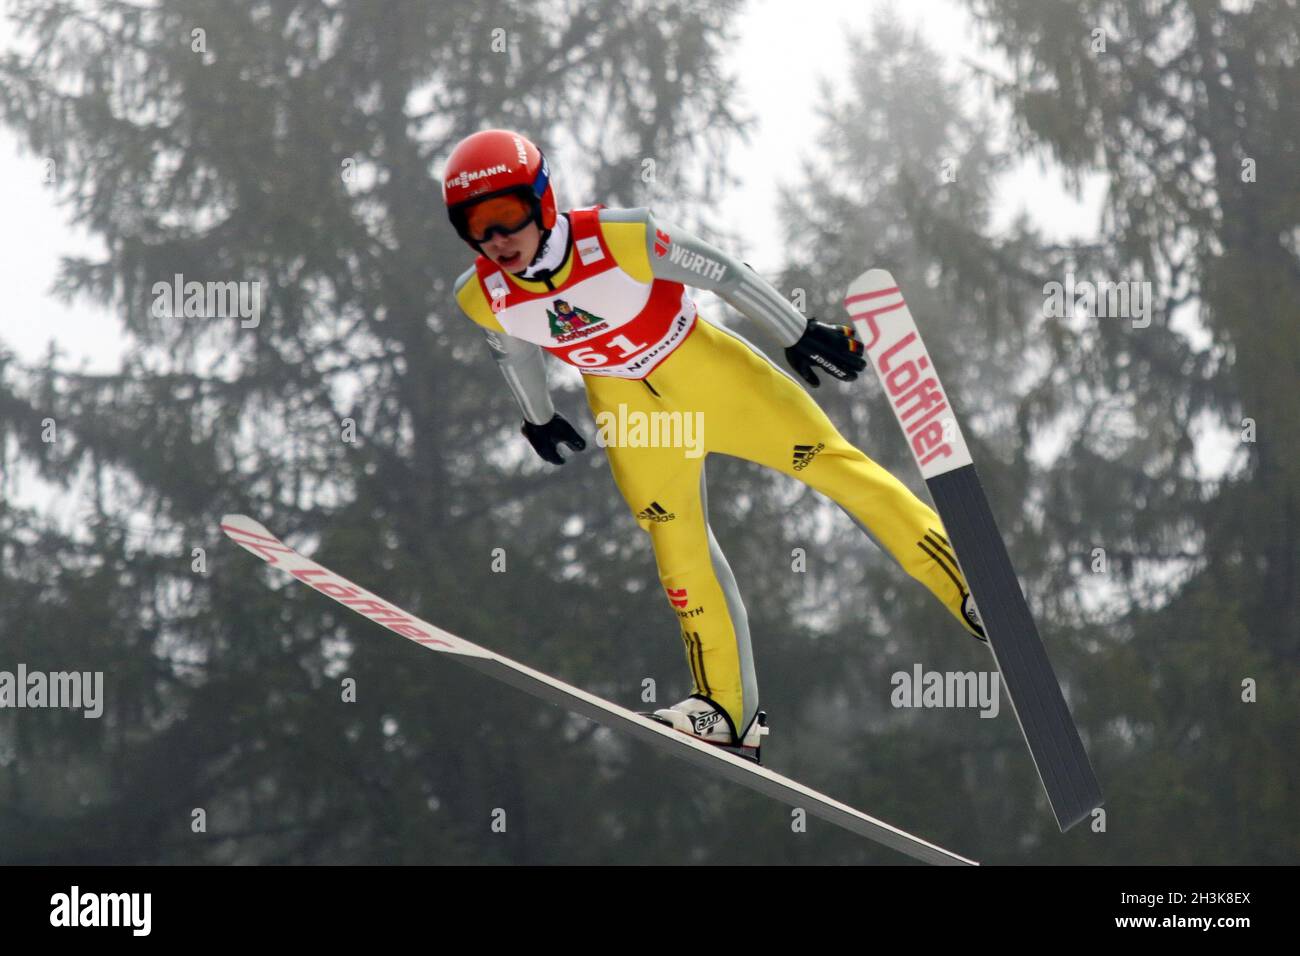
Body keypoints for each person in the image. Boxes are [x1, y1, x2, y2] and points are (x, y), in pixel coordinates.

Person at [443, 128, 985, 763]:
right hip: (629, 414)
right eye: (477, 226)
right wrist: (538, 418)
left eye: (506, 216)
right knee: (680, 551)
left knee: (837, 469)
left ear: (541, 200)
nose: (497, 239)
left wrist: (798, 330)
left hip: (708, 373)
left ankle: (968, 586)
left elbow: (723, 273)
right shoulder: (481, 294)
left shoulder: (618, 238)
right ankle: (726, 709)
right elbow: (515, 352)